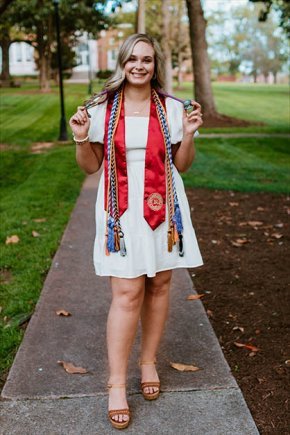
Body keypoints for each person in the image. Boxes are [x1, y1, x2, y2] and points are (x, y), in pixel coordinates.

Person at [69, 33, 203, 430]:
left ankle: (148, 365)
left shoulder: (174, 108)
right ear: (123, 64)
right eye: (132, 60)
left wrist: (191, 133)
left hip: (166, 211)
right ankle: (115, 384)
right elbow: (91, 166)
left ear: (155, 64)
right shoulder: (103, 108)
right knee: (127, 293)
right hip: (122, 214)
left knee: (161, 285)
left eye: (146, 59)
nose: (139, 66)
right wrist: (80, 136)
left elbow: (183, 164)